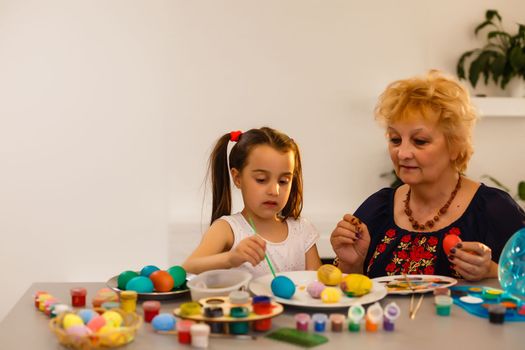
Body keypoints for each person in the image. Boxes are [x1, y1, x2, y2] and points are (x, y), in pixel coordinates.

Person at [330, 70, 525, 281]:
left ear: (455, 146)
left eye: (420, 141)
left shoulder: (493, 210)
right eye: (395, 140)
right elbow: (351, 296)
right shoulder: (377, 209)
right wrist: (352, 264)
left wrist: (492, 271)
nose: (402, 153)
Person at [183, 127, 321, 277]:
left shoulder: (302, 230)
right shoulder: (227, 229)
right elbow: (188, 267)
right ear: (237, 178)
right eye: (261, 179)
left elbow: (317, 285)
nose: (274, 191)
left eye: (283, 181)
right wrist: (230, 258)